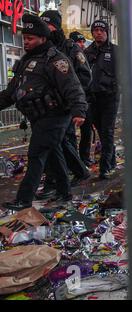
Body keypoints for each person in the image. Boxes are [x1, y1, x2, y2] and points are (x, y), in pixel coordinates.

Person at [0, 14, 87, 211]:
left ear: (42, 38)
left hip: (55, 116)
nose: (26, 42)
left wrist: (79, 110)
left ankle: (24, 199)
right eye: (24, 38)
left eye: (30, 39)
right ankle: (65, 193)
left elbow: (73, 87)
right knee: (54, 155)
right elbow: (11, 92)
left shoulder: (56, 59)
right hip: (38, 117)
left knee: (36, 155)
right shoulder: (25, 61)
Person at [36, 11, 92, 200]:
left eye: (48, 25)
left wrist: (73, 99)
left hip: (65, 106)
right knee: (59, 143)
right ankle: (75, 173)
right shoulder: (41, 48)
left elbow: (85, 76)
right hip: (46, 107)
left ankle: (57, 182)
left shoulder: (70, 48)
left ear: (56, 26)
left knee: (56, 143)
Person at [84, 20, 119, 179]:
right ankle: (111, 160)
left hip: (110, 97)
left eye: (101, 30)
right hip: (92, 98)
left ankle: (104, 168)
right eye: (95, 30)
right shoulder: (87, 52)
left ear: (107, 32)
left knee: (107, 131)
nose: (98, 33)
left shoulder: (116, 51)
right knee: (101, 132)